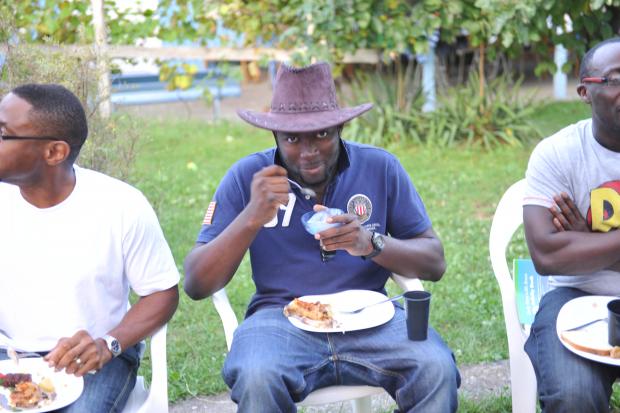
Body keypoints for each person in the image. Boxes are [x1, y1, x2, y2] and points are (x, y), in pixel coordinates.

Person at [184, 62, 459, 412]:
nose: (308, 150)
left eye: (322, 134)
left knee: (435, 366)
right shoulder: (249, 177)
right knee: (256, 374)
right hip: (279, 319)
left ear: (340, 127)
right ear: (274, 136)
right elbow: (196, 283)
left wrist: (370, 243)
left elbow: (435, 262)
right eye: (292, 139)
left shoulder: (380, 167)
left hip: (369, 317)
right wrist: (251, 216)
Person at [0, 84, 179, 412]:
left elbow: (162, 294)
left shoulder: (121, 206)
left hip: (93, 358)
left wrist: (108, 344)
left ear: (54, 152)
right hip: (7, 353)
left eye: (3, 134)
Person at [523, 37, 620, 412]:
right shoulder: (557, 153)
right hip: (574, 294)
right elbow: (547, 255)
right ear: (584, 92)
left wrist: (587, 241)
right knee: (573, 394)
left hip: (581, 275)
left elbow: (566, 251)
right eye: (615, 80)